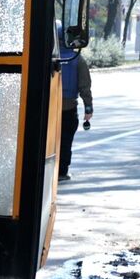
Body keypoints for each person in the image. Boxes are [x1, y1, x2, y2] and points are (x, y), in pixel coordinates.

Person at [59, 45, 93, 180]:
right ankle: (62, 172)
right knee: (65, 142)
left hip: (46, 109)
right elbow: (85, 86)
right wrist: (88, 108)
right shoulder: (77, 59)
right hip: (68, 108)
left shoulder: (45, 57)